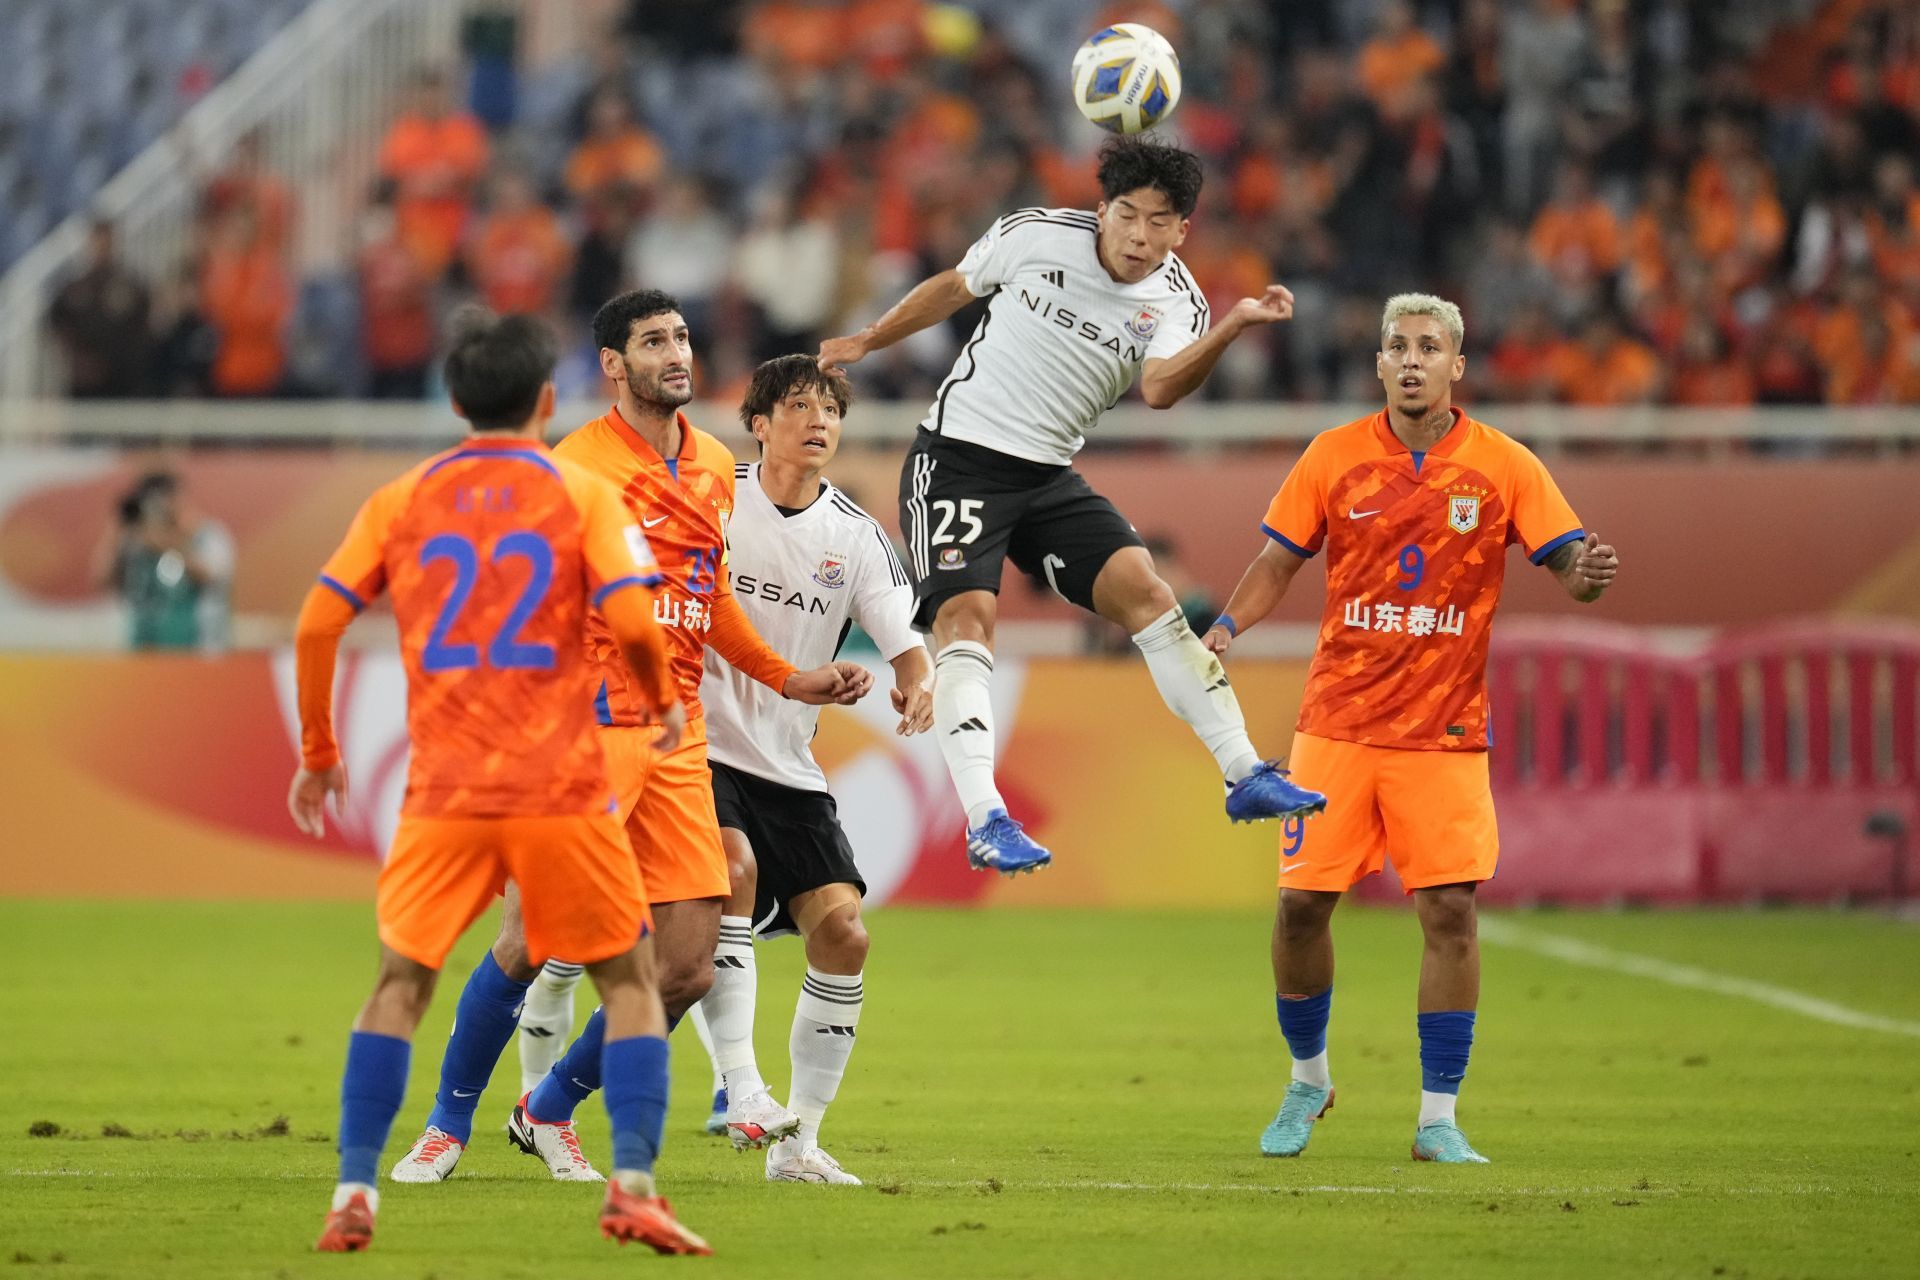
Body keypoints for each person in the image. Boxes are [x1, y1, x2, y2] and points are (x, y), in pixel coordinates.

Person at [388, 290, 870, 1183]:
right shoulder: (577, 466)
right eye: (654, 342)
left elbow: (708, 597)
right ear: (614, 365)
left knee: (686, 966)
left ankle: (547, 1108)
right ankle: (445, 1128)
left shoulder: (715, 464)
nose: (676, 353)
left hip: (677, 734)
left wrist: (787, 675)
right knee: (532, 937)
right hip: (583, 726)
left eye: (683, 336)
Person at [289, 309, 710, 1254]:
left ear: (453, 400)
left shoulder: (402, 498)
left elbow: (318, 625)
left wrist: (320, 753)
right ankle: (634, 1184)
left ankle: (356, 1188)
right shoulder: (582, 492)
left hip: (444, 792)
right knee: (634, 982)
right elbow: (638, 623)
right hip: (561, 784)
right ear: (548, 400)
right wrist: (661, 701)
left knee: (399, 984)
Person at [816, 134, 1325, 877]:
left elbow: (1159, 390)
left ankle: (1244, 772)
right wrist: (870, 338)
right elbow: (957, 286)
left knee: (1153, 597)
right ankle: (988, 818)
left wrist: (1233, 327)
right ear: (1101, 210)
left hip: (1049, 475)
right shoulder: (1036, 235)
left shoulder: (1178, 297)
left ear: (1184, 229)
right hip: (958, 460)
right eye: (1127, 215)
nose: (1140, 236)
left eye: (1160, 222)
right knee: (967, 621)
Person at [1200, 293, 1620, 1164]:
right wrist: (1227, 630)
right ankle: (1309, 1079)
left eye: (1431, 346)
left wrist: (1589, 573)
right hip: (1339, 725)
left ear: (1458, 366)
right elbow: (1278, 558)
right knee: (1301, 909)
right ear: (1381, 366)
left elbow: (1569, 565)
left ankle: (1437, 1118)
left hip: (1444, 732)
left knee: (1451, 913)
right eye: (1399, 346)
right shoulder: (1334, 456)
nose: (1414, 359)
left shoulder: (1503, 466)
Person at [679, 354, 932, 1182]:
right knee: (733, 868)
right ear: (758, 422)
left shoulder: (856, 538)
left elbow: (906, 641)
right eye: (799, 405)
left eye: (831, 408)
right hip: (695, 742)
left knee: (844, 933)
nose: (819, 420)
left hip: (787, 763)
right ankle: (740, 1086)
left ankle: (800, 1143)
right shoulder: (715, 503)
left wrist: (917, 684)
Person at [93, 471, 234, 651]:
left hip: (197, 650)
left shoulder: (209, 536)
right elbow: (101, 578)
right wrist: (116, 530)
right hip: (144, 650)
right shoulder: (136, 540)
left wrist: (166, 544)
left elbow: (210, 575)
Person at [49, 220, 151, 398]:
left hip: (122, 383)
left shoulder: (131, 287)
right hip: (83, 383)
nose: (101, 249)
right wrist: (79, 359)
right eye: (97, 242)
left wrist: (115, 362)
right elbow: (58, 323)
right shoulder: (74, 288)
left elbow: (141, 330)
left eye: (106, 242)